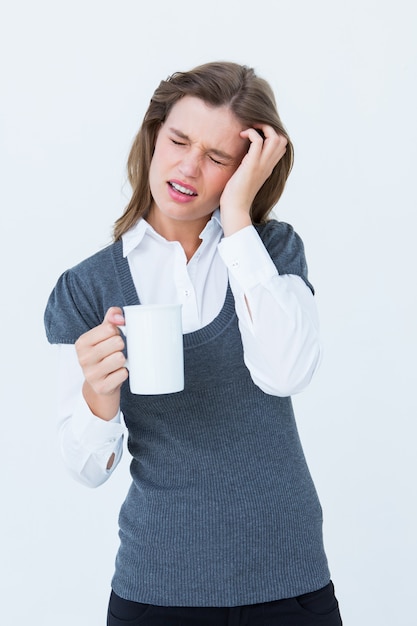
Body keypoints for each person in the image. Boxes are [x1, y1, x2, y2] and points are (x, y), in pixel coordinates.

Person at [44, 61, 343, 625]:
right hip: (158, 591)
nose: (188, 167)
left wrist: (237, 221)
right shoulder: (86, 288)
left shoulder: (270, 254)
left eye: (218, 157)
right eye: (179, 140)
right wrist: (99, 394)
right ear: (154, 136)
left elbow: (286, 373)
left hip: (289, 579)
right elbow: (88, 469)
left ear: (244, 171)